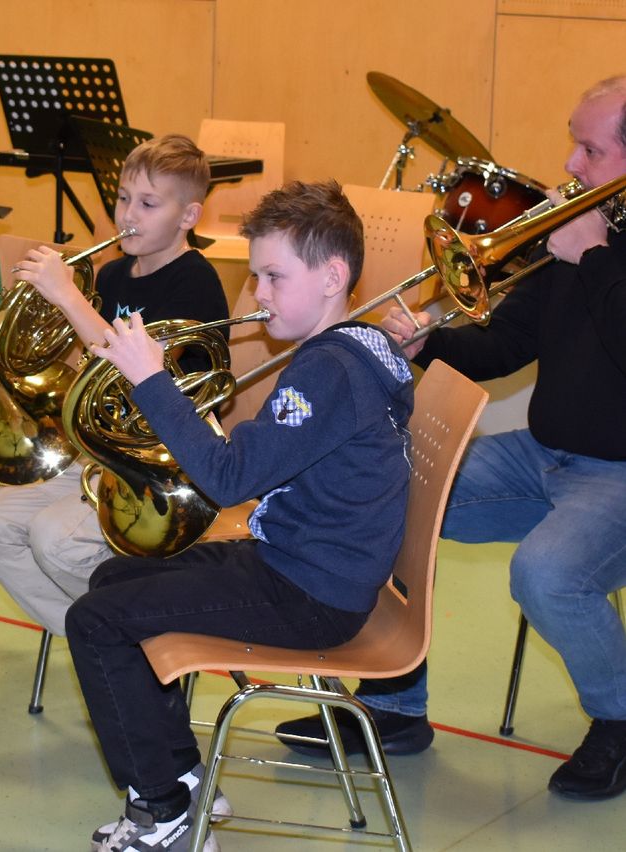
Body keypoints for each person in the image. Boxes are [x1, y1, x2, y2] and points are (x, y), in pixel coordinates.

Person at [276, 76, 626, 802]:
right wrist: (429, 343)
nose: (570, 164)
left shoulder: (590, 246)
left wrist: (594, 258)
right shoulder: (579, 231)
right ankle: (394, 703)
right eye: (574, 142)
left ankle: (620, 721)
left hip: (617, 476)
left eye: (590, 150)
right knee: (384, 495)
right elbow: (506, 345)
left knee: (547, 575)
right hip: (542, 456)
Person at [64, 179, 415, 851]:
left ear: (333, 278)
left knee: (94, 621)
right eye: (256, 276)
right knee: (113, 580)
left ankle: (160, 810)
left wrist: (151, 380)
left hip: (311, 591)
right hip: (303, 561)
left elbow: (229, 480)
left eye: (274, 276)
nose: (258, 294)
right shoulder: (356, 346)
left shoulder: (328, 372)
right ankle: (181, 778)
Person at [0, 134, 229, 636]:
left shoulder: (195, 282)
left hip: (161, 466)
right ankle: (105, 640)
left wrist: (69, 298)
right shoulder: (111, 277)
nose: (127, 213)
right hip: (101, 454)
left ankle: (130, 636)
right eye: (123, 198)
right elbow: (90, 372)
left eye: (148, 204)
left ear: (189, 216)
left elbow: (139, 378)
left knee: (55, 540)